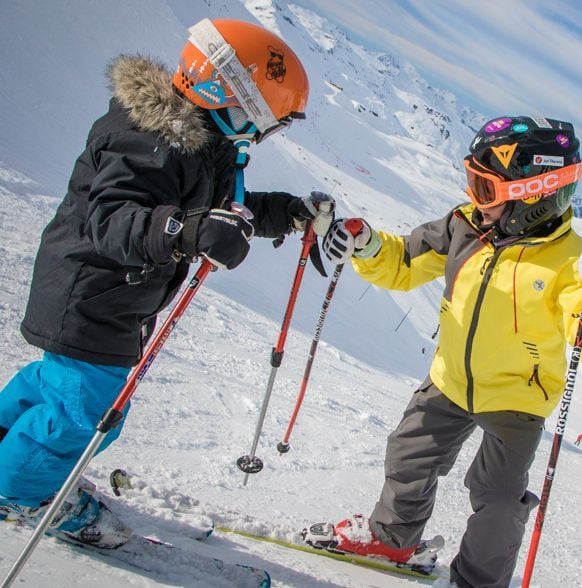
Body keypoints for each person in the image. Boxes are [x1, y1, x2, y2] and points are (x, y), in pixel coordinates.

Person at [0, 18, 334, 547]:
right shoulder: (149, 140)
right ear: (228, 96)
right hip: (93, 295)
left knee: (56, 388)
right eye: (263, 117)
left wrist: (288, 213)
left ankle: (10, 454)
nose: (264, 132)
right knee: (86, 414)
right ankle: (20, 492)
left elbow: (227, 210)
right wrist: (189, 231)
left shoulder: (199, 140)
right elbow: (111, 218)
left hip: (106, 295)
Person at [304, 116, 582, 587]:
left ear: (533, 196)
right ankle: (392, 538)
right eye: (474, 184)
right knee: (409, 454)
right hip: (450, 380)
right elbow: (403, 261)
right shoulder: (464, 227)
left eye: (486, 189)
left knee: (499, 498)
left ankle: (478, 580)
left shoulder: (569, 264)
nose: (475, 201)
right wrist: (365, 244)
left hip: (517, 399)